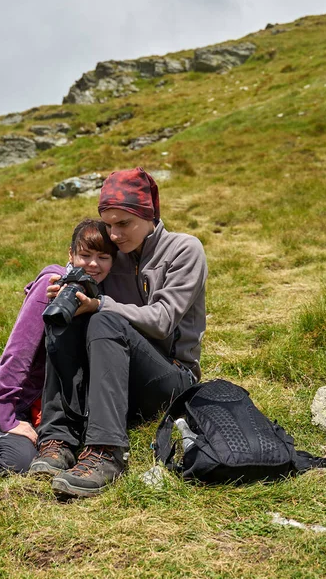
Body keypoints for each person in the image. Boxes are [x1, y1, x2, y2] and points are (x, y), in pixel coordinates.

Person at [28, 167, 208, 499]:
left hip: (174, 380)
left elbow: (162, 320)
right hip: (119, 382)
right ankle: (58, 440)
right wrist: (70, 289)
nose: (113, 234)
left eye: (123, 224)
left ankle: (107, 453)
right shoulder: (114, 257)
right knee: (67, 318)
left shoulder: (184, 250)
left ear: (148, 215)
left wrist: (100, 304)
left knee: (104, 319)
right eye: (108, 224)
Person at [0, 219, 117, 487]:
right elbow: (17, 351)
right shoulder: (51, 285)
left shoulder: (101, 295)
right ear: (71, 254)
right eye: (85, 255)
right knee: (15, 465)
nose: (93, 264)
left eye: (103, 257)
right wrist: (8, 416)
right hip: (18, 403)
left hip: (54, 408)